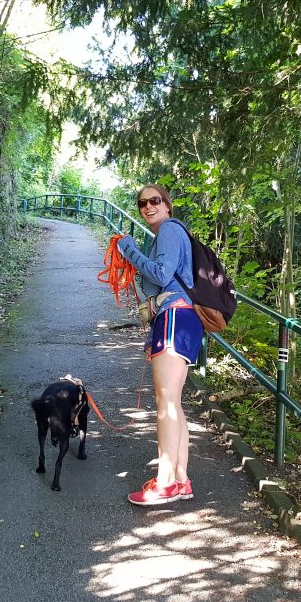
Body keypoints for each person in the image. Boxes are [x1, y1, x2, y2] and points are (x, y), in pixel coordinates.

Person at [116, 184, 204, 506]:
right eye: (142, 203)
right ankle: (180, 480)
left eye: (155, 201)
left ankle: (165, 483)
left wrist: (129, 249)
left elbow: (163, 274)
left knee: (165, 401)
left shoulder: (168, 230)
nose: (148, 207)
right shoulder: (171, 234)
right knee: (174, 403)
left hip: (173, 318)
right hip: (184, 321)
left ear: (167, 205)